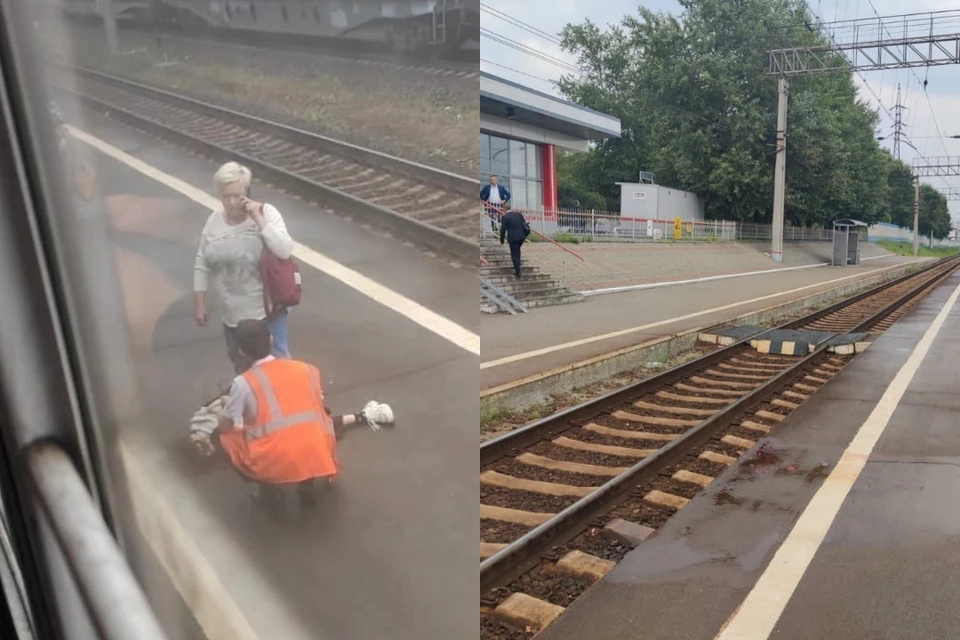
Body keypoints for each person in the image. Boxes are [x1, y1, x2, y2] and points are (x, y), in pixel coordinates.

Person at [201, 319, 394, 509]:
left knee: (227, 438)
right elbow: (316, 409)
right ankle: (307, 484)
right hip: (315, 450)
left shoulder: (243, 384)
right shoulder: (307, 369)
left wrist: (225, 410)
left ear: (241, 351)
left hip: (272, 459)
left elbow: (227, 426)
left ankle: (267, 490)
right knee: (312, 423)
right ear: (270, 339)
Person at [194, 161, 295, 374]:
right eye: (225, 196)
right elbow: (202, 261)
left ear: (247, 191)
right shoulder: (213, 221)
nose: (231, 202)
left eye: (237, 195)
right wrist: (200, 303)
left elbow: (284, 250)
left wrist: (259, 219)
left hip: (266, 315)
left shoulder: (267, 213)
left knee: (279, 368)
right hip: (232, 318)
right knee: (243, 370)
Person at [499, 205, 531, 278]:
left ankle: (518, 271)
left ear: (504, 209)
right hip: (522, 237)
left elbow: (503, 230)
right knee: (517, 250)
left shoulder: (505, 217)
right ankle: (518, 263)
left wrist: (501, 239)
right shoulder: (518, 214)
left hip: (513, 238)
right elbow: (524, 224)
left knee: (514, 254)